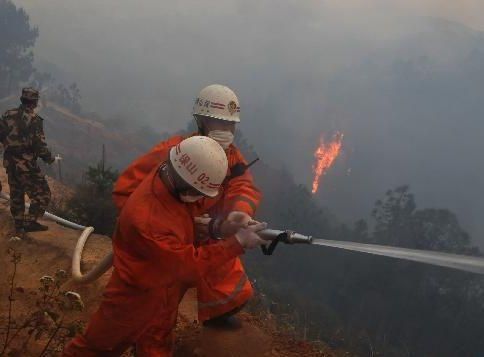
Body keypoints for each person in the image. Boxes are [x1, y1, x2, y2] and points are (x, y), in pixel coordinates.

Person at [63, 136, 269, 356]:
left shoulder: (172, 172)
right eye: (197, 193)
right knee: (98, 347)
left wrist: (223, 225)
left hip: (162, 286)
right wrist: (237, 243)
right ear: (186, 188)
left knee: (155, 345)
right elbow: (188, 267)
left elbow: (188, 215)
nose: (200, 199)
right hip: (134, 294)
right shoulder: (147, 219)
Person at [112, 84, 261, 325]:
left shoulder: (232, 157)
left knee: (219, 253)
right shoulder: (175, 153)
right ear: (201, 121)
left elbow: (243, 186)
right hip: (162, 241)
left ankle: (218, 310)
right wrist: (166, 228)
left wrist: (239, 213)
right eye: (219, 123)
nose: (226, 131)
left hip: (199, 233)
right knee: (159, 306)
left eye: (230, 124)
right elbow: (125, 191)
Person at [0, 88, 55, 234]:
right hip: (26, 165)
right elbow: (39, 146)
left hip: (10, 162)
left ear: (22, 99)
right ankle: (30, 221)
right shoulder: (35, 120)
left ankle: (19, 225)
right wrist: (50, 159)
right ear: (35, 102)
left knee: (16, 194)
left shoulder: (7, 115)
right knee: (43, 194)